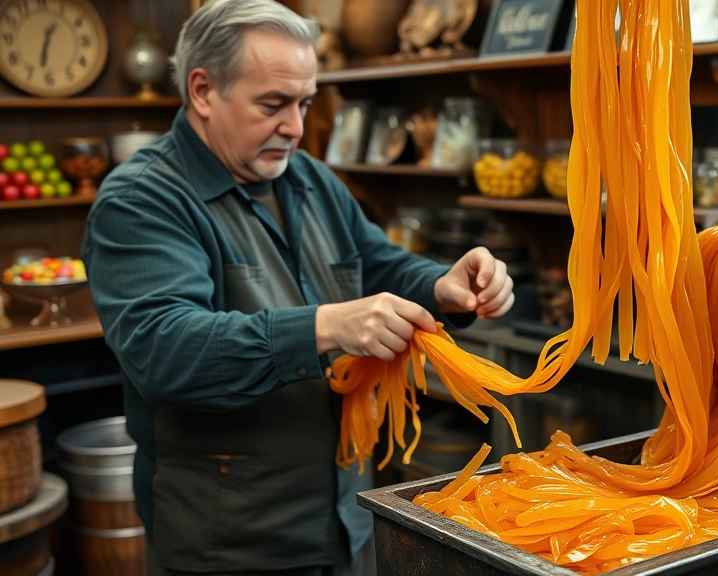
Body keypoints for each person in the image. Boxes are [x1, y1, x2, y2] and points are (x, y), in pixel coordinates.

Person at [81, 1, 515, 574]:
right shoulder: (142, 200)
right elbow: (162, 348)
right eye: (273, 104)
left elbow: (379, 264)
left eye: (305, 102)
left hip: (345, 519)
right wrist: (325, 326)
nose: (296, 126)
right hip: (233, 543)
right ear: (204, 90)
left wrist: (441, 284)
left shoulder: (308, 178)